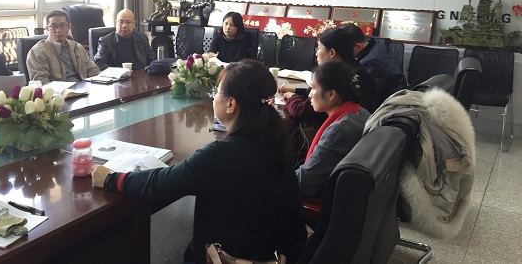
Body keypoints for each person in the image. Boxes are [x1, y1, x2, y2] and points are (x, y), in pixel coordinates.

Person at [92, 59, 307, 264]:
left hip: (235, 257)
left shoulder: (221, 155)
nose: (214, 98)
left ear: (231, 104)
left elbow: (161, 184)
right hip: (280, 252)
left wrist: (111, 178)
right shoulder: (274, 140)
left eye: (217, 92)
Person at [295, 61, 371, 197]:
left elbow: (304, 183)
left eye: (313, 88)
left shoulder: (339, 131)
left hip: (319, 201)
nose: (309, 94)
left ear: (331, 95)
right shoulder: (361, 113)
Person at [280, 27, 378, 120]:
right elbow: (322, 91)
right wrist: (295, 90)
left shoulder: (336, 75)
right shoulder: (354, 69)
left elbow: (300, 111)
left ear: (332, 52)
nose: (316, 53)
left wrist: (291, 96)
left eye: (318, 48)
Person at [26, 9, 101, 84]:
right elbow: (40, 82)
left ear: (69, 27)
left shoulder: (77, 47)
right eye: (53, 26)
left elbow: (94, 71)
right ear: (47, 28)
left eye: (62, 25)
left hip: (84, 87)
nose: (58, 30)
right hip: (58, 90)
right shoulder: (38, 52)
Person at [340, 23, 407, 103]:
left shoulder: (372, 62)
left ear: (358, 47)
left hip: (390, 103)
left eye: (344, 49)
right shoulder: (375, 44)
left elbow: (369, 96)